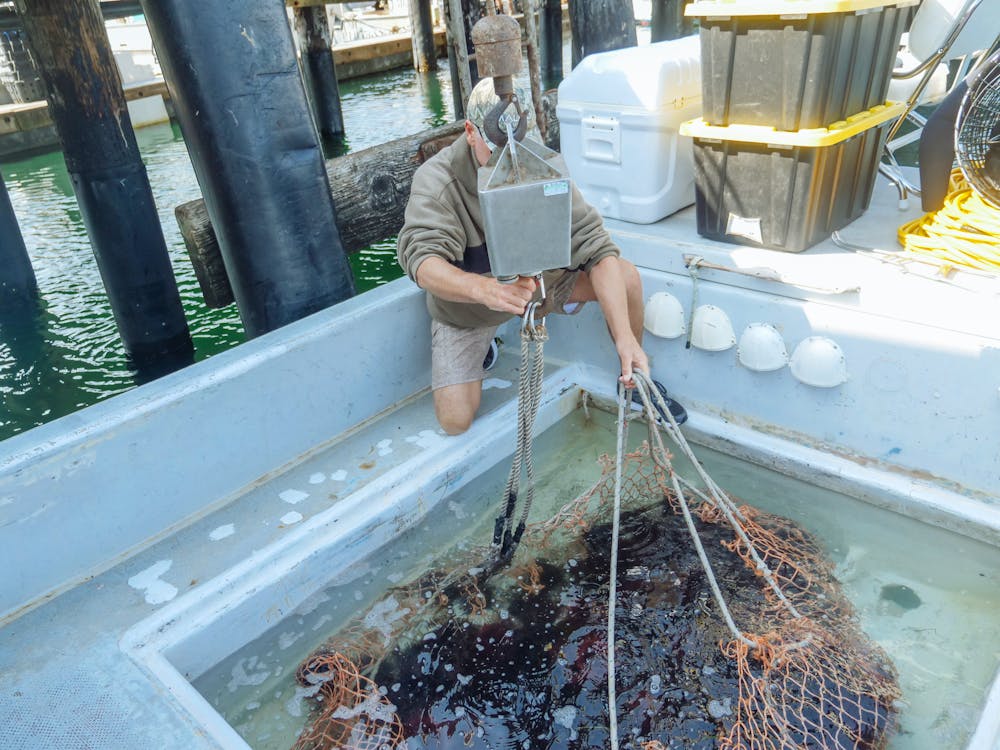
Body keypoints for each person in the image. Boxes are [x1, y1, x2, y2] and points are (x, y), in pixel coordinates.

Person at [396, 79, 686, 435]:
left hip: (539, 285)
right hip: (472, 304)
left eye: (517, 147)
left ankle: (634, 378)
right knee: (455, 421)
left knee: (625, 277)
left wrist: (624, 337)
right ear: (470, 132)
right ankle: (486, 346)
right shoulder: (437, 180)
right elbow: (422, 262)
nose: (510, 162)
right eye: (496, 152)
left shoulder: (541, 162)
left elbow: (595, 245)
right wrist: (486, 292)